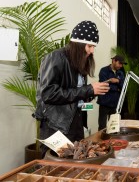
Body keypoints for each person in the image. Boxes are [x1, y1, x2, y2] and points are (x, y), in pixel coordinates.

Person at [33, 20, 110, 157]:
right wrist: (88, 90)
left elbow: (75, 94)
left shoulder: (79, 61)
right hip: (57, 127)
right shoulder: (56, 57)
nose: (92, 51)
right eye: (89, 46)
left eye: (94, 47)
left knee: (74, 167)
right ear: (78, 43)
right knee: (55, 170)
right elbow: (48, 94)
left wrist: (93, 92)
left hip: (76, 124)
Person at [97, 55, 126, 130]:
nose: (121, 65)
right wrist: (117, 88)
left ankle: (112, 141)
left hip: (115, 104)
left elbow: (123, 87)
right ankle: (101, 141)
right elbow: (104, 86)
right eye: (119, 63)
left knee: (113, 127)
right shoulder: (104, 70)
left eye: (122, 64)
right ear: (114, 61)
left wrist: (117, 81)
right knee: (102, 126)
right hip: (104, 102)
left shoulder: (120, 73)